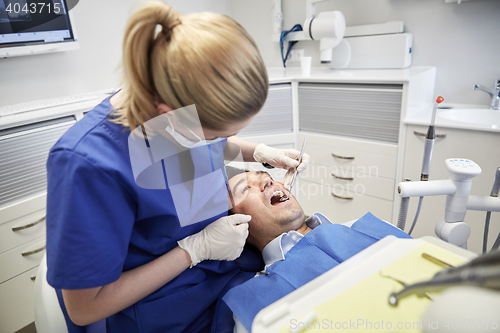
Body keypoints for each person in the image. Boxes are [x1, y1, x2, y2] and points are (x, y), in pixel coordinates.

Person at [45, 3, 310, 332]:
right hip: (161, 308)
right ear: (168, 113)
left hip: (221, 271)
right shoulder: (87, 166)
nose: (225, 141)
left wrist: (259, 152)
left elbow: (200, 144)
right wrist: (193, 250)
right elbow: (84, 309)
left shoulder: (162, 108)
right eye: (220, 133)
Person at [222, 170, 411, 332]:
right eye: (245, 188)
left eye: (267, 176)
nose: (267, 181)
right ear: (236, 224)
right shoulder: (256, 304)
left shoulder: (373, 227)